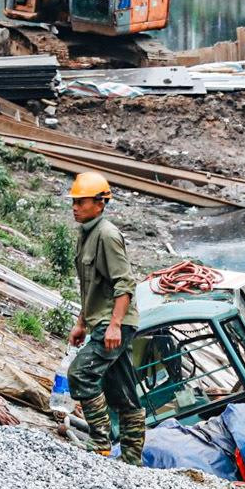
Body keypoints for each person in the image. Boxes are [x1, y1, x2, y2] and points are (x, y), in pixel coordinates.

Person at [66, 172, 146, 464]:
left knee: (80, 374)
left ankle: (99, 441)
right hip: (103, 322)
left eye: (81, 202)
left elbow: (124, 284)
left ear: (100, 203)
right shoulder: (86, 233)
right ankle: (132, 461)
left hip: (115, 324)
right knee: (122, 392)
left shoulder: (107, 235)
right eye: (74, 201)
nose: (75, 207)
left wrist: (114, 326)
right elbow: (90, 285)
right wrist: (80, 323)